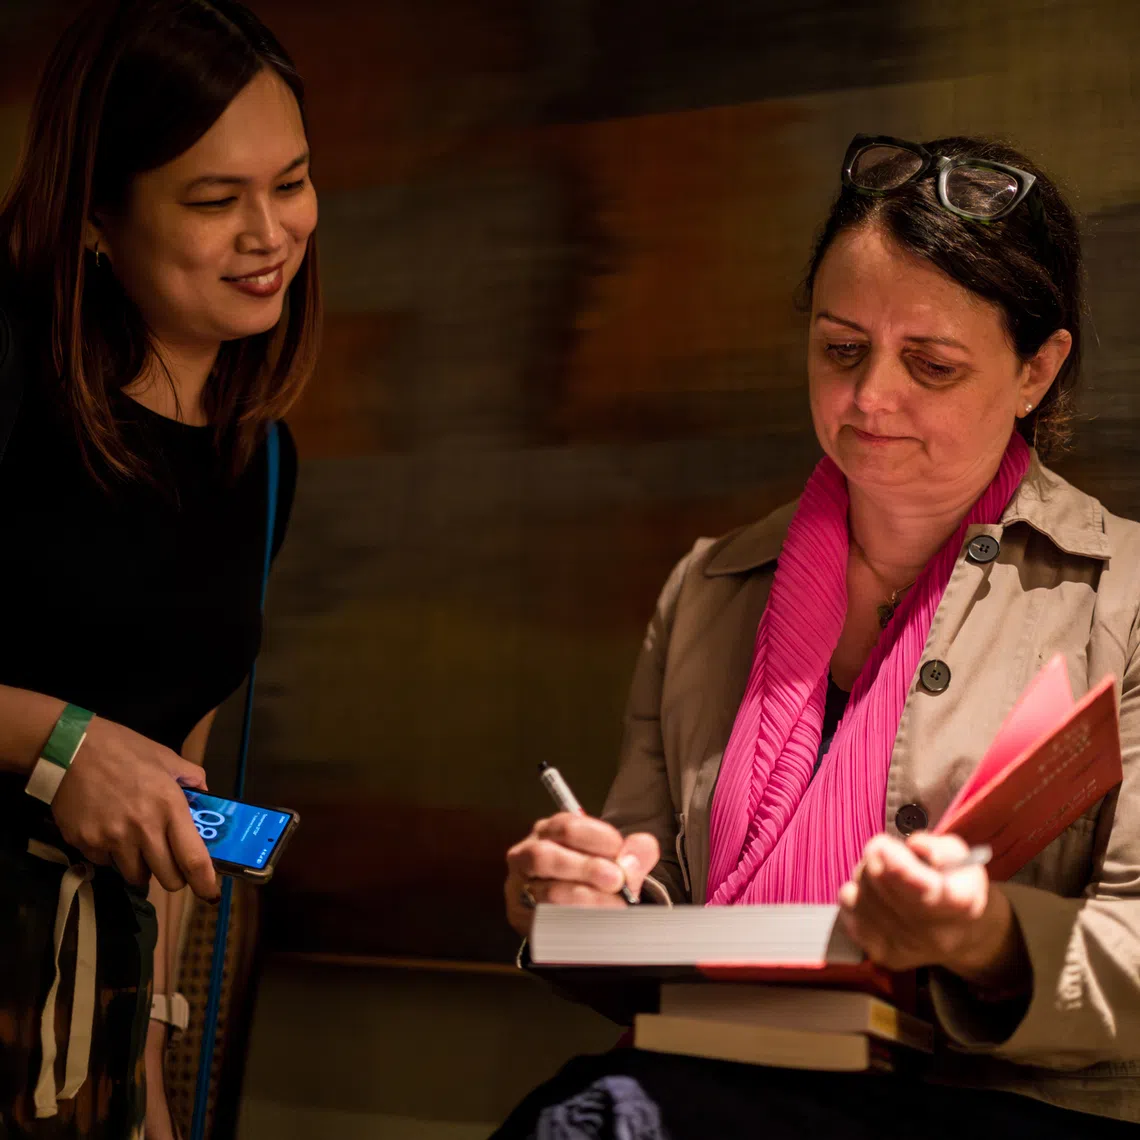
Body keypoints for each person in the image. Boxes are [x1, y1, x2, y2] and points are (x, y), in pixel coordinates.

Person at [497, 134, 1140, 1138]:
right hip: (712, 1078)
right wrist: (575, 902)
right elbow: (650, 907)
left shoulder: (1124, 600)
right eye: (842, 350)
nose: (871, 397)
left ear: (1036, 370)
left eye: (931, 365)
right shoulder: (708, 590)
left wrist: (988, 938)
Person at [0, 1, 319, 1137]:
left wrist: (146, 1062)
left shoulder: (259, 455)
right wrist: (57, 741)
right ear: (96, 213)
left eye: (292, 183)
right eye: (215, 200)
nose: (270, 233)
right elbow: (102, 755)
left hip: (75, 1028)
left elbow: (176, 784)